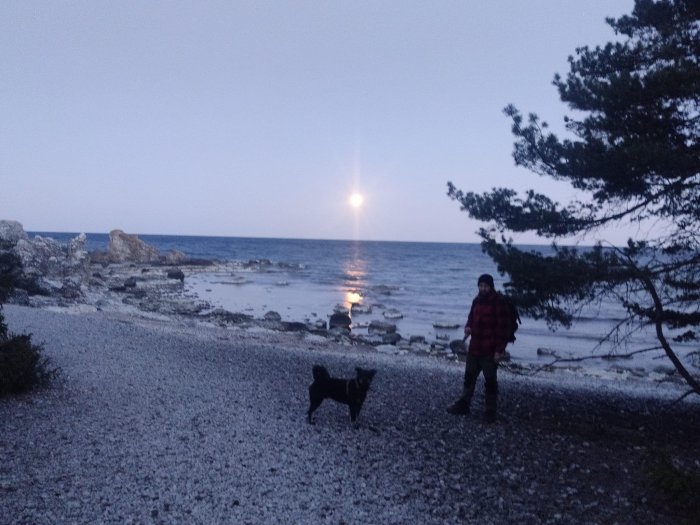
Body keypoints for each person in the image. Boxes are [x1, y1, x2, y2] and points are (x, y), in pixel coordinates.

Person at [447, 273, 510, 422]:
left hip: (490, 349)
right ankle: (464, 405)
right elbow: (471, 318)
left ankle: (490, 412)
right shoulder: (476, 300)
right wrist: (468, 327)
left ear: (491, 286)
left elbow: (504, 328)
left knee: (490, 382)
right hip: (475, 347)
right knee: (469, 378)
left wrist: (499, 350)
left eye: (486, 286)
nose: (483, 288)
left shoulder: (498, 302)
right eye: (481, 286)